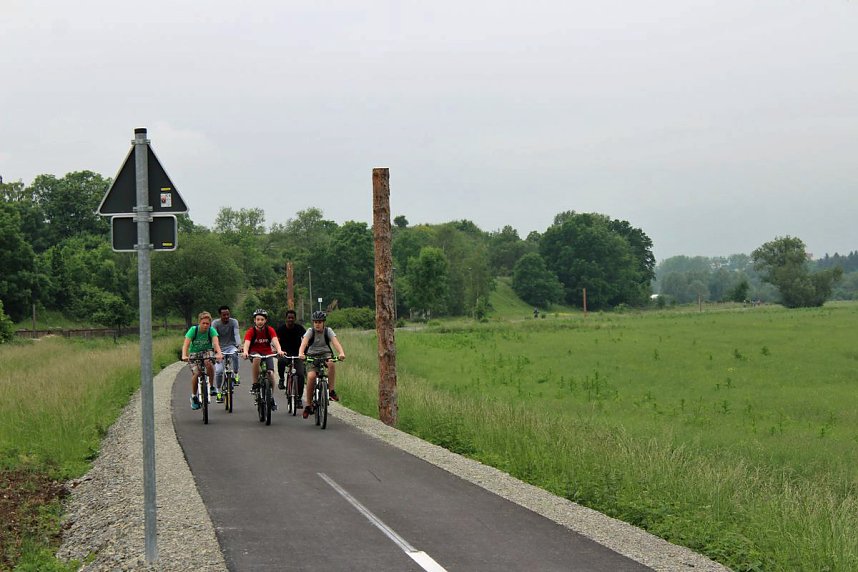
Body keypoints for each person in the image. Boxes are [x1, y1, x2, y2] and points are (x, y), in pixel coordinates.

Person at [298, 310, 346, 419]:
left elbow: (336, 343)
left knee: (331, 363)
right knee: (311, 377)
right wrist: (301, 353)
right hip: (312, 356)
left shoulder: (328, 331)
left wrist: (341, 353)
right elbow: (304, 343)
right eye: (315, 322)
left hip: (325, 354)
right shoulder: (310, 331)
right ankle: (309, 405)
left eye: (319, 322)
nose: (317, 324)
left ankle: (331, 391)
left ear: (323, 322)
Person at [241, 309, 285, 410]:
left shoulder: (269, 330)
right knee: (256, 359)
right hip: (254, 352)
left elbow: (275, 341)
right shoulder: (251, 331)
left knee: (271, 374)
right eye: (258, 319)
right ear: (254, 321)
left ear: (265, 320)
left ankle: (271, 397)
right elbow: (247, 343)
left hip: (267, 353)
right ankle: (255, 384)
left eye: (262, 319)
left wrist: (279, 350)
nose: (260, 321)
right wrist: (245, 352)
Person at [181, 311, 223, 410]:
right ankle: (194, 396)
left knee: (208, 363)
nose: (205, 325)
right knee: (197, 373)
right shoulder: (193, 330)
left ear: (210, 324)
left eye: (207, 323)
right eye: (203, 323)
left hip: (207, 351)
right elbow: (186, 344)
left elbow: (216, 343)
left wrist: (219, 353)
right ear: (199, 322)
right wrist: (184, 355)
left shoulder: (211, 330)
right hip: (194, 353)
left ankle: (211, 387)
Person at [275, 309, 306, 407]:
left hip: (297, 355)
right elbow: (275, 341)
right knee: (281, 361)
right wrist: (277, 350)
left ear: (295, 319)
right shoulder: (280, 329)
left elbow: (306, 340)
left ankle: (299, 398)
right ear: (286, 318)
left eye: (292, 318)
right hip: (284, 353)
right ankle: (281, 379)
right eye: (289, 318)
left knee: (301, 375)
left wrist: (305, 352)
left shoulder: (300, 328)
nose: (291, 320)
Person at [213, 305, 241, 403]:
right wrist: (215, 350)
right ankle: (219, 391)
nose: (226, 317)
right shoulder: (215, 323)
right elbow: (214, 337)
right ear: (220, 315)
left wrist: (239, 345)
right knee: (219, 371)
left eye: (228, 314)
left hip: (231, 346)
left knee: (235, 354)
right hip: (219, 348)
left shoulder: (234, 322)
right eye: (224, 315)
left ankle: (236, 374)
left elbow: (236, 334)